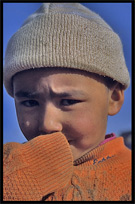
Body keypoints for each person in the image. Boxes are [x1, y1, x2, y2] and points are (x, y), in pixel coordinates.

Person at [3, 3, 131, 201]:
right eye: (30, 102)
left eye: (68, 101)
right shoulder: (9, 169)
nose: (47, 125)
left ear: (113, 98)